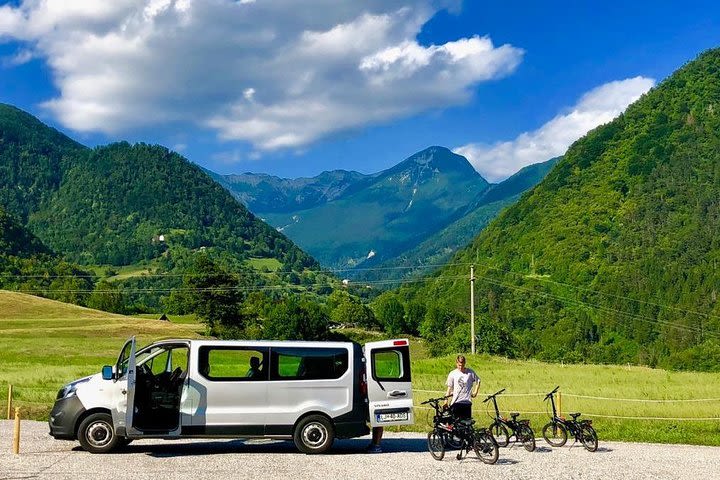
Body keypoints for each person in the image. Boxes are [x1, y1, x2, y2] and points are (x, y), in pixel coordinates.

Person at [444, 355, 480, 420]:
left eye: (462, 365)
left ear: (465, 363)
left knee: (466, 424)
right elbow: (449, 389)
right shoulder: (453, 373)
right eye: (459, 365)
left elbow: (478, 381)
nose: (460, 367)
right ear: (456, 363)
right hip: (456, 402)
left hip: (467, 402)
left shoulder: (470, 372)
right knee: (455, 423)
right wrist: (445, 401)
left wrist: (475, 392)